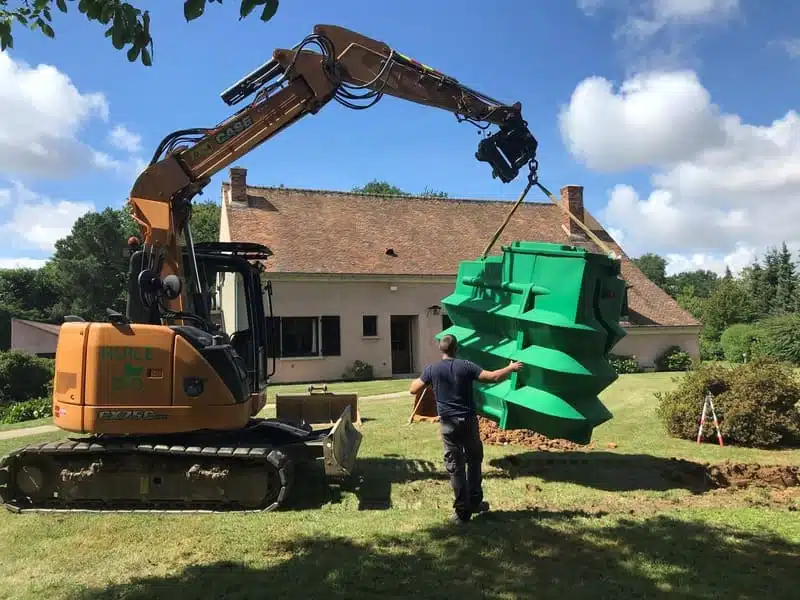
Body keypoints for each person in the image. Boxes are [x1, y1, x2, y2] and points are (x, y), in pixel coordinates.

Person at [409, 334, 523, 524]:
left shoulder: (432, 369)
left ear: (441, 349)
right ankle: (475, 502)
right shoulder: (466, 366)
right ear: (457, 348)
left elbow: (413, 389)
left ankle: (462, 512)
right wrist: (511, 368)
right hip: (469, 421)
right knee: (474, 461)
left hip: (448, 424)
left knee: (455, 466)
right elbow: (493, 377)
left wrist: (429, 380)